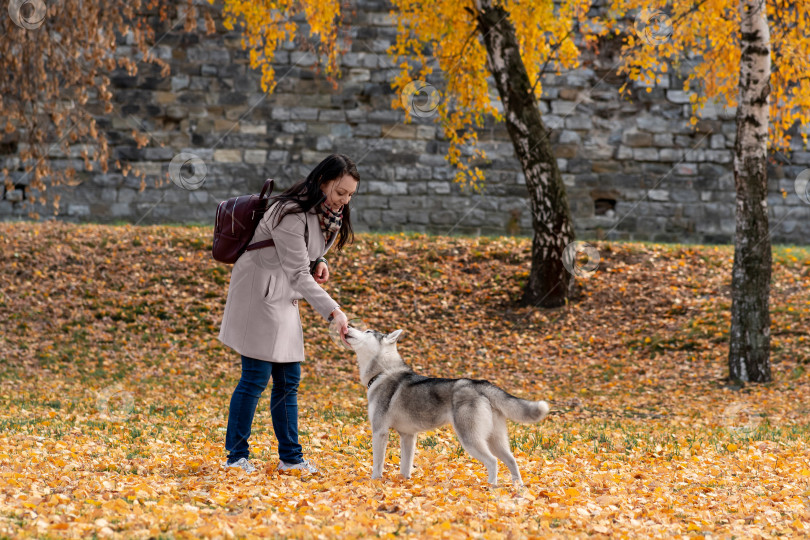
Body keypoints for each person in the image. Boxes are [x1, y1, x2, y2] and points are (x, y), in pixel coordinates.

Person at [217, 153, 357, 474]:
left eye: (350, 195)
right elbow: (297, 272)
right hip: (258, 293)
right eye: (340, 192)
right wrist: (333, 311)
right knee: (254, 378)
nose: (344, 201)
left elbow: (306, 255)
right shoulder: (289, 213)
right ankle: (235, 458)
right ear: (322, 183)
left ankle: (290, 459)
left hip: (283, 296)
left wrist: (319, 261)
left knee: (288, 380)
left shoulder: (321, 214)